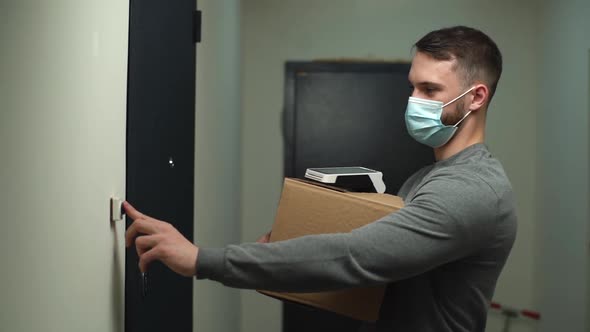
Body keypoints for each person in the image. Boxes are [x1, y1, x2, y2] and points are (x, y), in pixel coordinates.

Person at [124, 25, 517, 332]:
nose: (414, 100)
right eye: (412, 87)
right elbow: (383, 280)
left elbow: (357, 257)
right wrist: (280, 259)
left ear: (477, 97)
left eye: (430, 89)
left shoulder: (472, 190)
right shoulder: (427, 177)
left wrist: (201, 260)